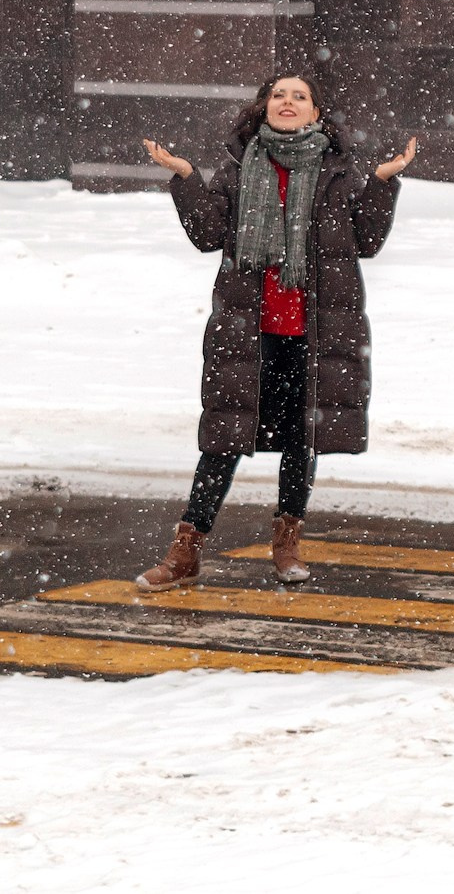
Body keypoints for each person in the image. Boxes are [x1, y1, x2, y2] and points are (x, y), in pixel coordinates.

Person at [134, 74, 417, 591]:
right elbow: (208, 234)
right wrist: (186, 177)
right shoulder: (240, 168)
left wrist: (381, 182)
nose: (288, 102)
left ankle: (287, 545)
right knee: (223, 441)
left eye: (299, 96)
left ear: (316, 113)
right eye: (279, 95)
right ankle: (186, 552)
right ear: (264, 107)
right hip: (249, 331)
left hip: (314, 332)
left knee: (300, 441)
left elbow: (367, 241)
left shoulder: (336, 173)